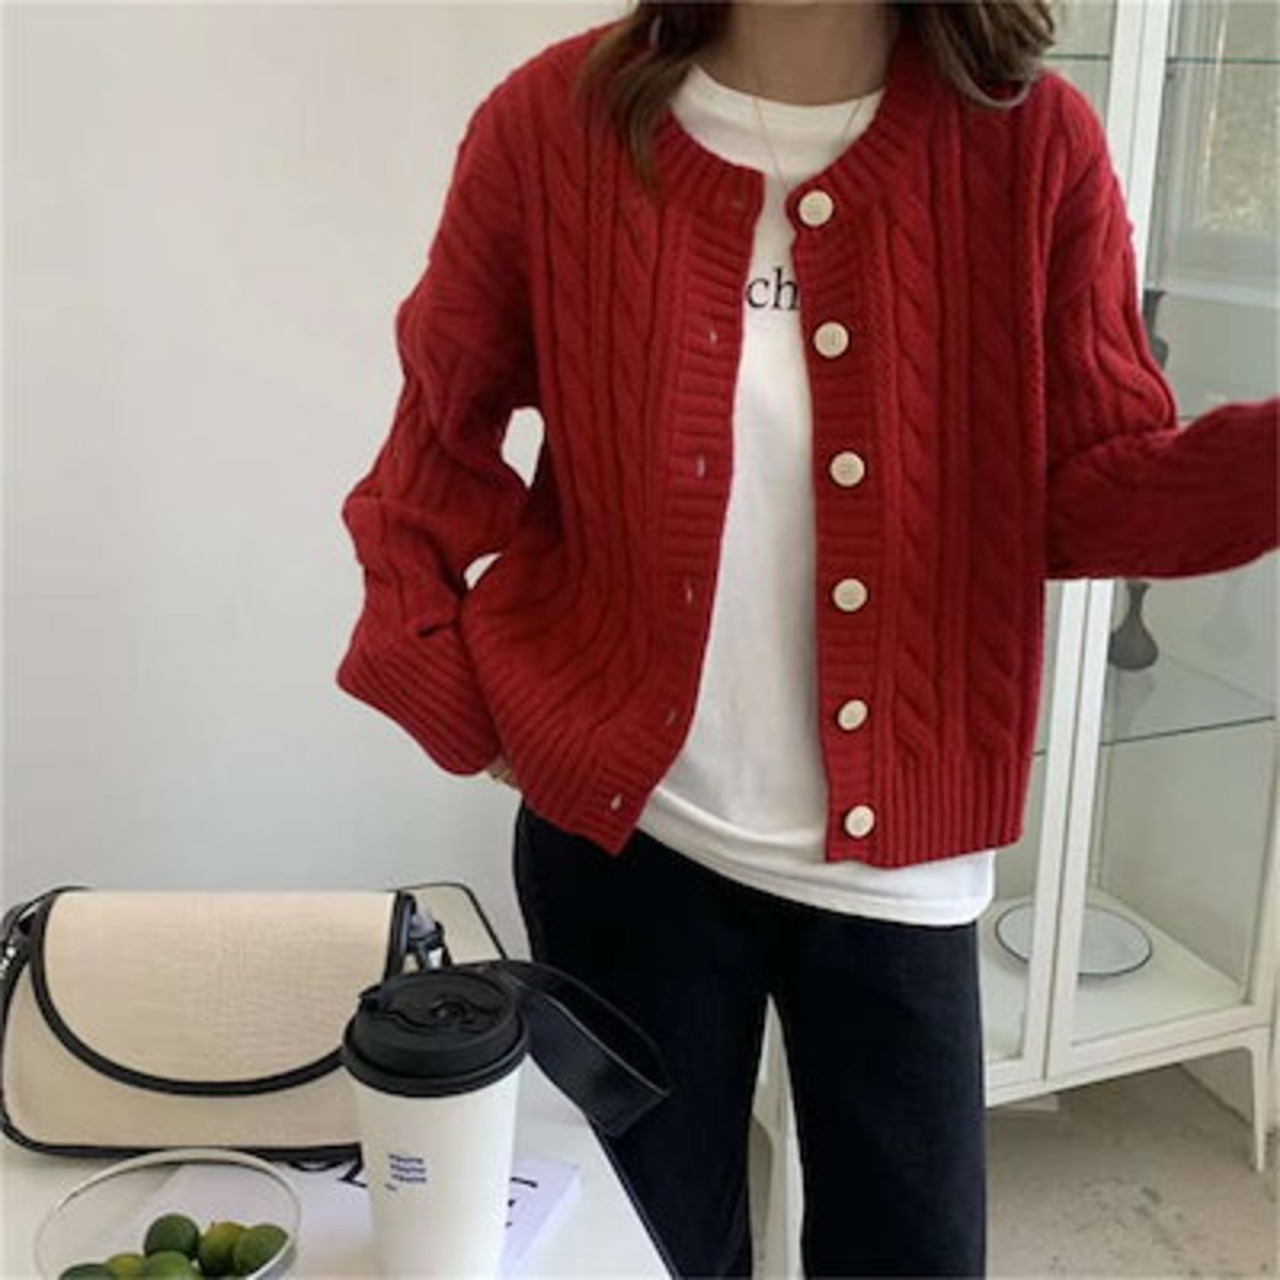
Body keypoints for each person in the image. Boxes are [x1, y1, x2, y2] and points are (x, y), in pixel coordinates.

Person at [337, 2, 1279, 1275]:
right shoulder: (554, 123)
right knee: (650, 1247)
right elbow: (433, 439)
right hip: (627, 834)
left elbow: (1087, 490)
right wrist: (447, 684)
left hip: (899, 857)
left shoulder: (1030, 144)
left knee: (911, 1250)